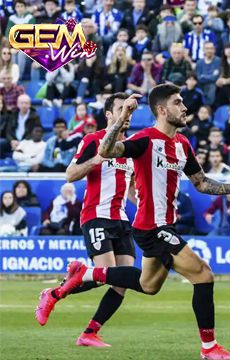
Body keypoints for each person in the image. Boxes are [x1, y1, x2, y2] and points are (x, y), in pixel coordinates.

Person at [39, 85, 230, 360]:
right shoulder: (144, 140)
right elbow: (108, 150)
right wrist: (122, 118)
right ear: (161, 109)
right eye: (178, 103)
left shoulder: (182, 144)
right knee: (203, 274)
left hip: (164, 225)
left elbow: (202, 183)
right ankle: (209, 348)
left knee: (148, 286)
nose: (185, 108)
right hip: (151, 227)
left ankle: (86, 275)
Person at [35, 93, 138, 348]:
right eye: (121, 109)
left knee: (121, 282)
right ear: (109, 115)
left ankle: (89, 333)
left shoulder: (131, 147)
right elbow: (70, 175)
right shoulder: (93, 140)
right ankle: (53, 294)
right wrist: (95, 160)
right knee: (107, 275)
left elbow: (132, 187)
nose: (127, 114)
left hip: (122, 219)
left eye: (130, 110)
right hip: (96, 216)